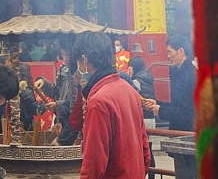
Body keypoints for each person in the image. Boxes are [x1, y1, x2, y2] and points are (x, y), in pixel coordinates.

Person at [72, 31, 151, 179]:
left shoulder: (99, 102)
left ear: (84, 59)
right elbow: (145, 149)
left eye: (78, 62)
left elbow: (94, 163)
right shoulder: (130, 90)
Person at [143, 34, 196, 176]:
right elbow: (177, 105)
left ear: (181, 51)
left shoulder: (191, 76)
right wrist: (158, 104)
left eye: (170, 52)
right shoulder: (180, 73)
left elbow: (188, 113)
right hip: (182, 138)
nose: (168, 56)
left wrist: (161, 111)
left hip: (189, 138)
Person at [128, 55, 157, 178]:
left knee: (142, 150)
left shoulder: (136, 81)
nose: (128, 70)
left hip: (142, 119)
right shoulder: (148, 78)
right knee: (149, 150)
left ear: (134, 67)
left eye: (129, 67)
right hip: (151, 118)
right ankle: (153, 175)